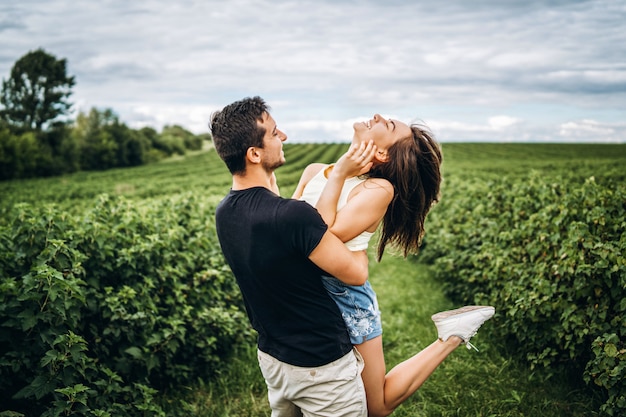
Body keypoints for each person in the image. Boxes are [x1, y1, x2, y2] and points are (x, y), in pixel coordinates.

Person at [292, 114, 495, 417]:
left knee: (377, 405)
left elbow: (319, 238)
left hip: (347, 299)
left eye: (387, 125)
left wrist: (338, 178)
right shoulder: (314, 171)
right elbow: (283, 228)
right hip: (306, 288)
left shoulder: (377, 190)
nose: (376, 116)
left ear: (382, 154)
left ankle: (451, 336)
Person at [210, 96, 374, 417]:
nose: (283, 136)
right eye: (273, 132)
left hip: (273, 359)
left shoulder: (225, 212)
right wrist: (364, 229)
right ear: (254, 153)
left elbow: (273, 201)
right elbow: (355, 274)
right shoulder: (292, 217)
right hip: (321, 367)